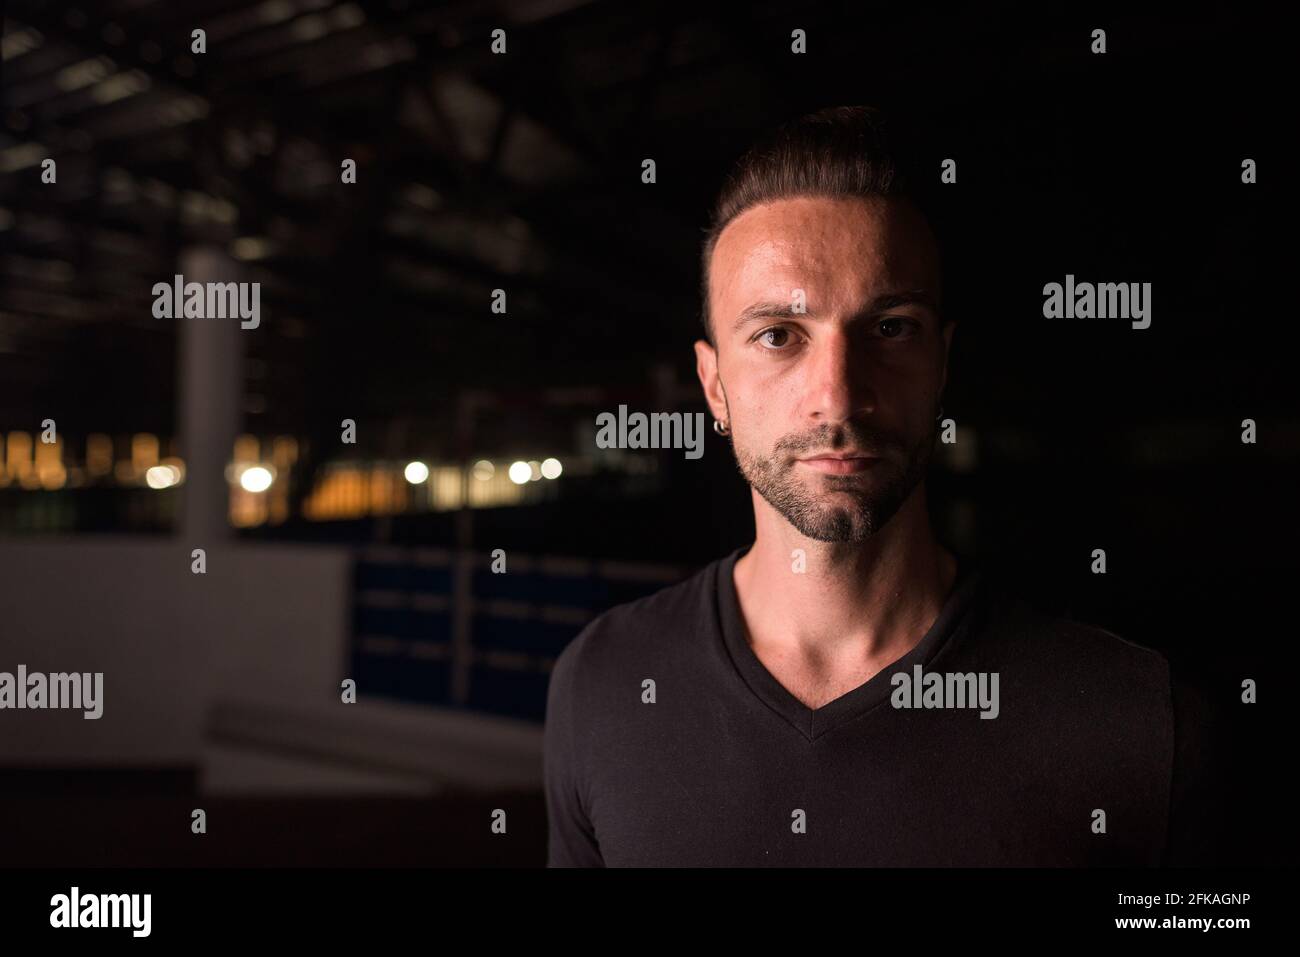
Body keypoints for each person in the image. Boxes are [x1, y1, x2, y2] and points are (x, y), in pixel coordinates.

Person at [543, 106, 1225, 867]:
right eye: (778, 336)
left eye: (891, 328)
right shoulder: (601, 683)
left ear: (942, 362)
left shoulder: (1134, 719)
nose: (836, 396)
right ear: (713, 386)